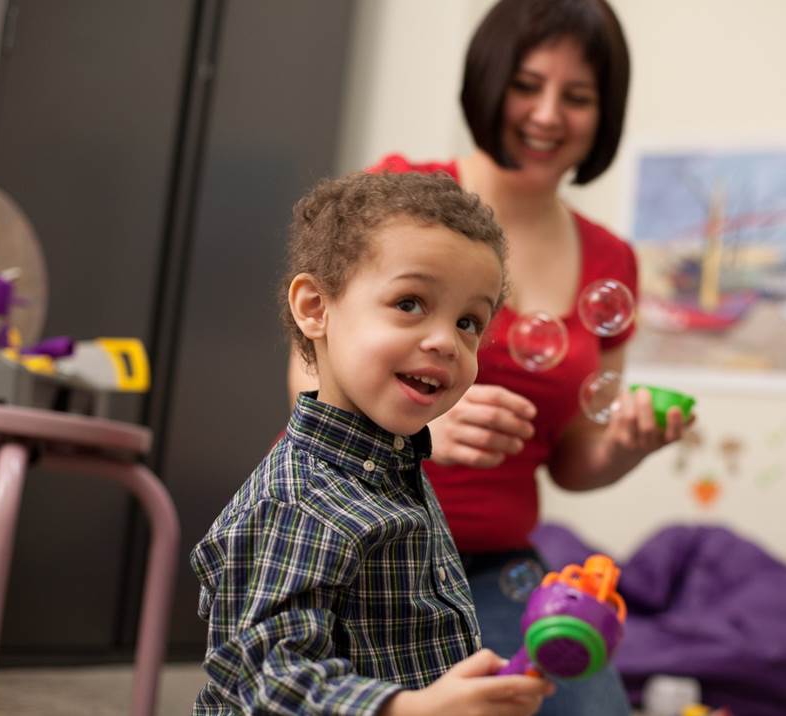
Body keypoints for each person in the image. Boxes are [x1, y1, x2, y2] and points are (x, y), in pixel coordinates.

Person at [291, 1, 696, 713]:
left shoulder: (613, 260)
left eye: (577, 97)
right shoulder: (402, 194)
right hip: (362, 551)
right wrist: (418, 432)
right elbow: (307, 373)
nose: (547, 115)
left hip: (495, 567)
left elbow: (573, 458)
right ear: (489, 81)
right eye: (526, 85)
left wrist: (626, 447)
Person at [192, 171, 555, 716]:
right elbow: (263, 683)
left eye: (468, 322)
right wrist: (407, 710)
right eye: (410, 303)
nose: (445, 342)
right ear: (316, 308)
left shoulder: (394, 468)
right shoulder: (296, 501)